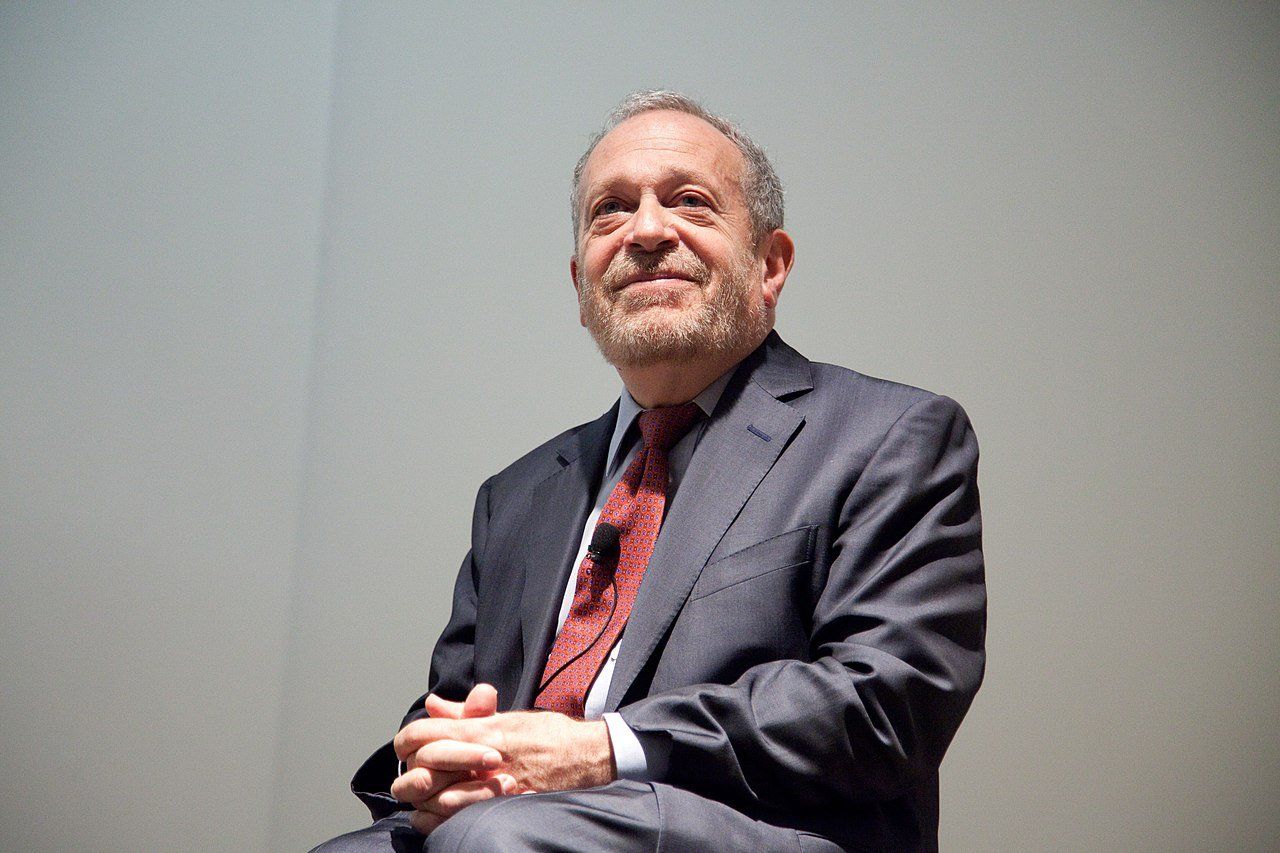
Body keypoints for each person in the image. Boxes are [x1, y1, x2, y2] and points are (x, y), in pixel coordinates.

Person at [313, 90, 985, 853]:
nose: (647, 230)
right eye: (611, 210)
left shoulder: (888, 434)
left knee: (500, 839)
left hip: (764, 830)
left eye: (690, 201)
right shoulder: (518, 495)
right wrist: (443, 763)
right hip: (506, 828)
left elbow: (886, 701)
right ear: (580, 285)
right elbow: (460, 703)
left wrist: (603, 748)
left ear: (770, 265)